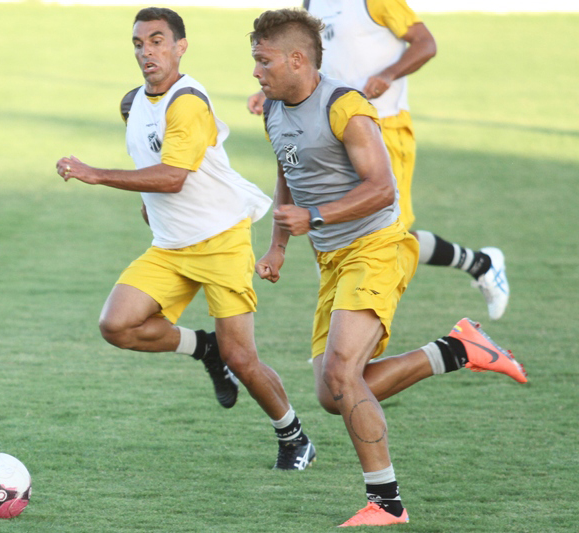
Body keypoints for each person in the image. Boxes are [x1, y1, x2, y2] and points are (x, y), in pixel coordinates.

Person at [249, 8, 527, 526]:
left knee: (340, 374)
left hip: (376, 245)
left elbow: (382, 190)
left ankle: (387, 504)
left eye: (263, 62)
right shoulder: (272, 108)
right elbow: (287, 169)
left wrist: (315, 215)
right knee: (333, 395)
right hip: (329, 258)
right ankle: (460, 348)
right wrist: (278, 247)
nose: (256, 73)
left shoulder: (345, 107)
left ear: (296, 59)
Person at [55, 7, 315, 470]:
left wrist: (96, 174)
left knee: (244, 358)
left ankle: (294, 436)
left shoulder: (188, 102)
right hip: (171, 245)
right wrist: (148, 207)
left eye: (157, 41)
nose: (147, 51)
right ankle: (203, 347)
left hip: (220, 242)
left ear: (180, 46)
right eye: (139, 43)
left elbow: (174, 176)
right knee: (116, 325)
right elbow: (151, 160)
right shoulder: (132, 103)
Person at [247, 0, 510, 321]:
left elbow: (425, 43)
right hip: (323, 128)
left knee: (385, 232)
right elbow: (298, 56)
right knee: (328, 223)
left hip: (381, 125)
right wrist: (277, 89)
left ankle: (476, 268)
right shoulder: (312, 3)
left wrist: (388, 74)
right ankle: (340, 330)